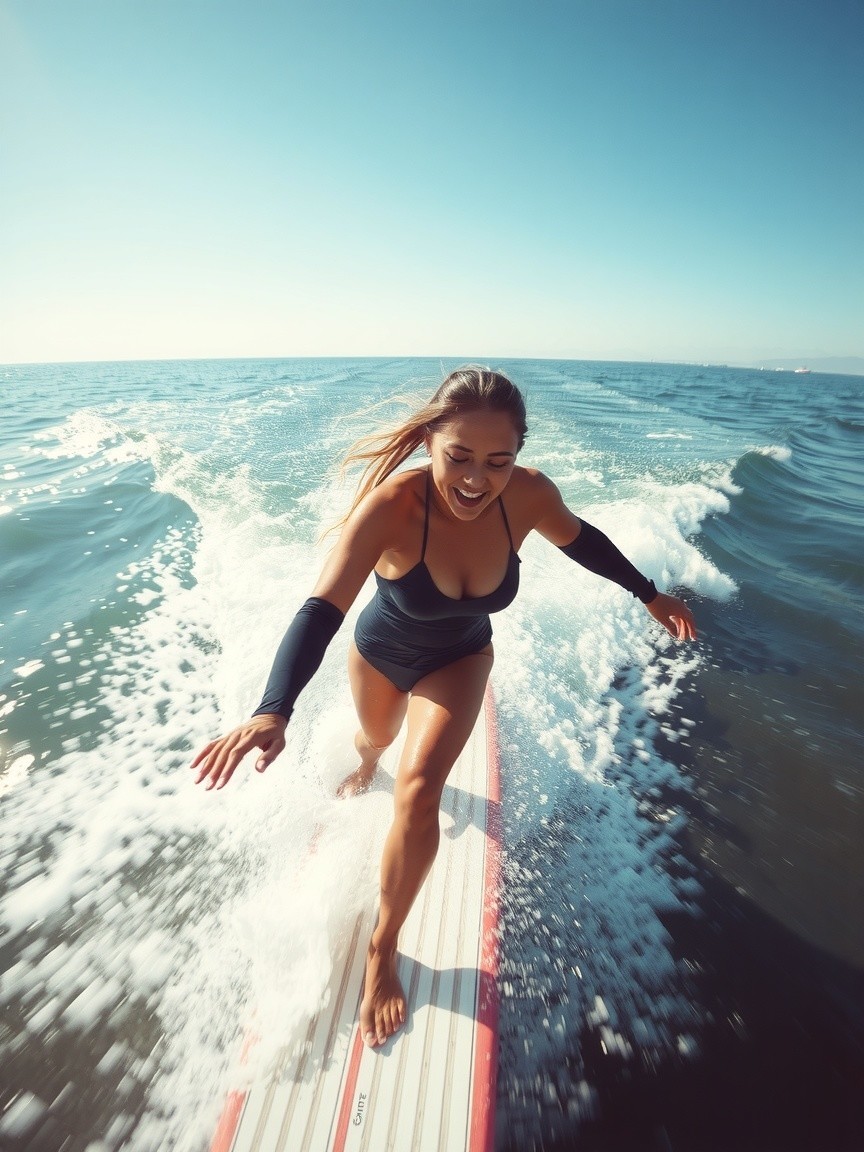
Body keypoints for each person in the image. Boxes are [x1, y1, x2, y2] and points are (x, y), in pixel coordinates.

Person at [191, 366, 697, 1049]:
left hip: (462, 657)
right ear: (430, 441)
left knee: (422, 788)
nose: (475, 479)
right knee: (378, 741)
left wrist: (649, 592)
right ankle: (370, 761)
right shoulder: (393, 508)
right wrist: (271, 710)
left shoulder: (529, 496)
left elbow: (583, 542)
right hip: (380, 656)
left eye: (498, 460)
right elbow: (320, 609)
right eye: (458, 456)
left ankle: (383, 949)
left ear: (518, 455)